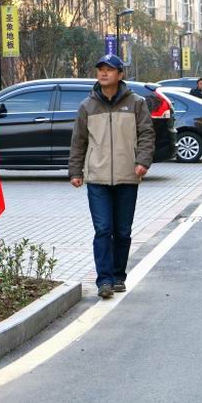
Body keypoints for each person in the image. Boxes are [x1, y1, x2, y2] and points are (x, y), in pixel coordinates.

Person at [69, 54, 156, 299]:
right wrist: (75, 171)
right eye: (100, 69)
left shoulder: (136, 103)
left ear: (120, 74)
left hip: (128, 176)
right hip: (97, 178)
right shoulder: (87, 106)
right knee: (103, 229)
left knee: (123, 231)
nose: (103, 73)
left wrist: (142, 162)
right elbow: (78, 141)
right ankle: (104, 280)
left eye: (109, 69)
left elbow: (147, 134)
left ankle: (118, 276)